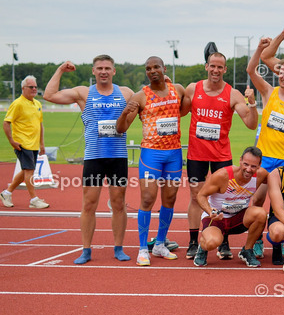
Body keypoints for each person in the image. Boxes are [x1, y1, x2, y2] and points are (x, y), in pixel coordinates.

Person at [42, 57, 134, 264]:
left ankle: (118, 248)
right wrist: (59, 70)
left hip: (118, 157)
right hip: (94, 157)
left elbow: (149, 98)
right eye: (100, 68)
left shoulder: (125, 93)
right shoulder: (84, 93)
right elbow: (49, 95)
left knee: (119, 204)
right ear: (93, 71)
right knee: (89, 204)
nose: (104, 72)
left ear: (114, 71)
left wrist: (163, 79)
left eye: (107, 68)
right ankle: (86, 249)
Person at [180, 51, 258, 260]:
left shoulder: (232, 94)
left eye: (220, 67)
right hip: (196, 154)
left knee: (224, 198)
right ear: (206, 67)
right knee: (196, 198)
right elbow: (179, 111)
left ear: (225, 69)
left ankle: (223, 241)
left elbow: (251, 125)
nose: (215, 70)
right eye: (212, 66)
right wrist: (172, 88)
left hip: (221, 155)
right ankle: (194, 241)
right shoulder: (193, 89)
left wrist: (252, 103)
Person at [115, 56, 187, 266]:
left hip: (174, 153)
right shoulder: (140, 96)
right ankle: (142, 248)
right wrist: (124, 113)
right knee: (147, 199)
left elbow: (184, 110)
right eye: (148, 68)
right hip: (151, 154)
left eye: (156, 67)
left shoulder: (178, 90)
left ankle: (161, 243)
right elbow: (121, 129)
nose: (152, 70)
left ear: (164, 68)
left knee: (170, 199)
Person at [193, 146, 269, 268]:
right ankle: (202, 248)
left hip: (237, 218)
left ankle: (247, 250)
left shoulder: (261, 175)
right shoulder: (222, 175)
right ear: (240, 160)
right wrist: (210, 211)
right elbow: (201, 195)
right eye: (246, 164)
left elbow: (279, 179)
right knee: (212, 242)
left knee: (260, 214)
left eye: (253, 166)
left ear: (259, 165)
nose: (248, 169)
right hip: (216, 218)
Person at [248, 38, 284, 179]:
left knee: (280, 199)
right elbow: (251, 70)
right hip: (264, 156)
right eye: (282, 72)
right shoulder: (268, 92)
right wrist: (260, 48)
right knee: (258, 198)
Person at [2, 76, 48, 209]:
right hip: (22, 143)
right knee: (29, 171)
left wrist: (42, 144)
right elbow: (6, 123)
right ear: (23, 88)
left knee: (26, 171)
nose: (34, 89)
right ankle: (34, 199)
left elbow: (40, 125)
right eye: (31, 87)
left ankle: (7, 193)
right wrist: (11, 141)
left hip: (33, 144)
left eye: (35, 87)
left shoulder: (37, 104)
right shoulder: (17, 103)